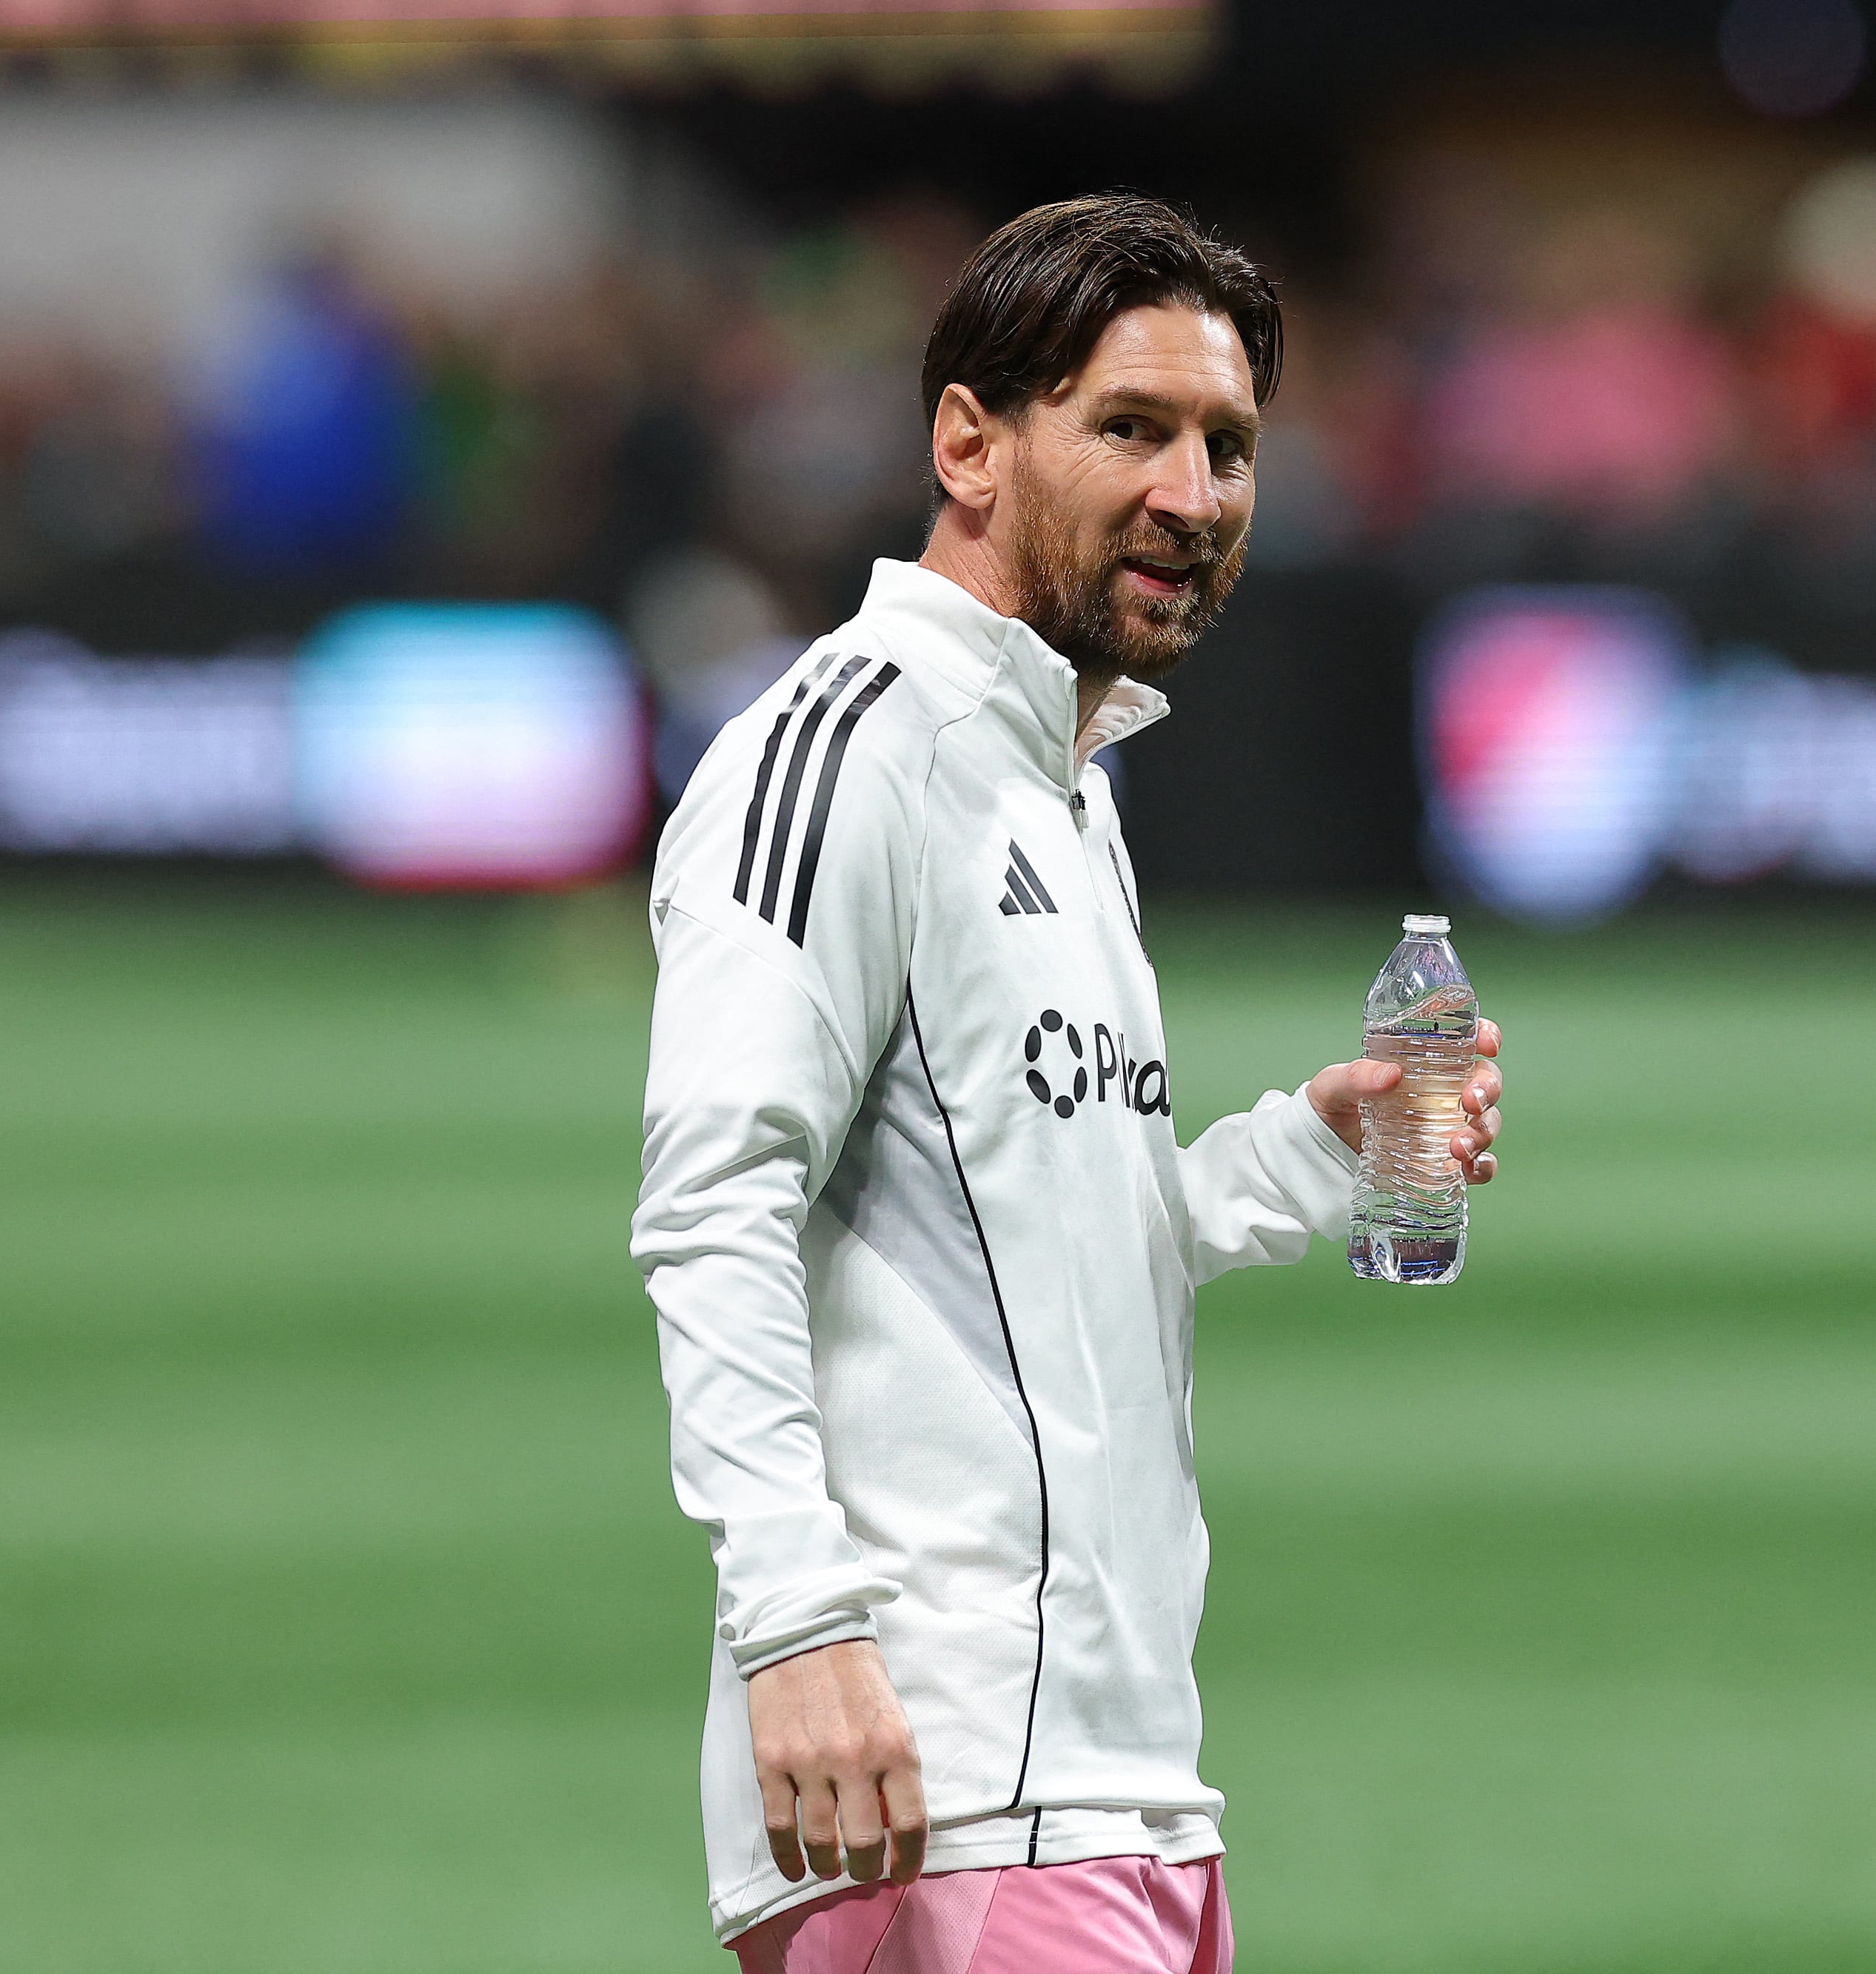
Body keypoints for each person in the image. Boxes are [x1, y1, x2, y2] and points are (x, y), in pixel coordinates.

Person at [630, 195, 1507, 1973]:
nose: (1195, 491)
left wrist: (1303, 1157)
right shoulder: (847, 749)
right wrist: (797, 1627)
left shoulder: (1068, 777)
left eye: (1230, 443)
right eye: (1131, 427)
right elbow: (712, 1203)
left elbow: (1046, 1242)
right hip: (941, 1775)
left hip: (1117, 1775)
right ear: (969, 441)